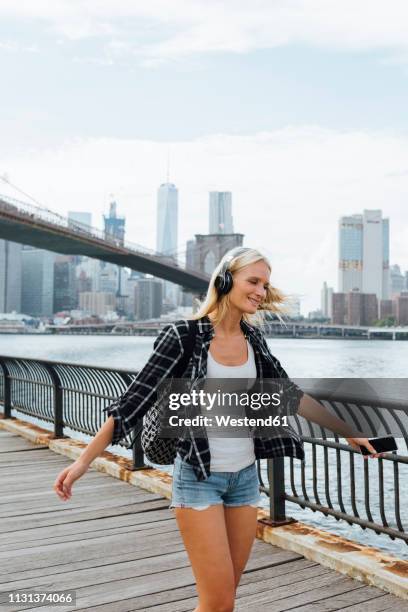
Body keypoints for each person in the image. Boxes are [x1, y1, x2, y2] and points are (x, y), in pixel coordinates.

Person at [54, 247, 383, 612]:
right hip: (198, 478)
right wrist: (82, 462)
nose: (261, 291)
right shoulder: (184, 336)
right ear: (226, 280)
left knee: (225, 602)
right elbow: (133, 403)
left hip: (244, 480)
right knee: (217, 601)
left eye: (265, 285)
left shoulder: (254, 341)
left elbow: (291, 396)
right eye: (253, 281)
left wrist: (349, 431)